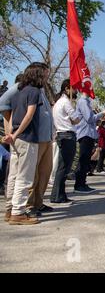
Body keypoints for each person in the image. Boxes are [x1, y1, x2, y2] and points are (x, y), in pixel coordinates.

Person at [4, 62, 47, 225]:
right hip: (27, 138)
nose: (45, 78)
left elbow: (13, 114)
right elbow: (28, 116)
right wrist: (16, 134)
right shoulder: (35, 92)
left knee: (13, 175)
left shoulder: (18, 93)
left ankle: (10, 209)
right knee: (25, 176)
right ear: (38, 74)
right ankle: (18, 212)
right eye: (44, 74)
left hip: (16, 139)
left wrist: (11, 134)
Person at [26, 66, 55, 218]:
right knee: (33, 173)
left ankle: (39, 202)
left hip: (47, 138)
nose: (46, 78)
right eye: (44, 75)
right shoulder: (27, 90)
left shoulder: (42, 91)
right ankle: (29, 205)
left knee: (45, 172)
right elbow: (4, 102)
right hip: (35, 138)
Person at [50, 79, 81, 203]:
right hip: (67, 135)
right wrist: (75, 116)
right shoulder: (65, 102)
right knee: (64, 168)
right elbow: (76, 119)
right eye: (74, 89)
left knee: (63, 167)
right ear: (67, 89)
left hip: (62, 135)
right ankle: (57, 195)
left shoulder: (59, 102)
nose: (76, 91)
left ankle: (60, 195)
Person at [74, 88, 105, 193]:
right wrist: (102, 114)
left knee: (85, 160)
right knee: (83, 160)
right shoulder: (83, 102)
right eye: (90, 88)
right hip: (85, 134)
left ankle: (82, 183)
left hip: (88, 134)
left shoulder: (87, 103)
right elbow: (89, 118)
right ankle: (79, 184)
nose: (92, 90)